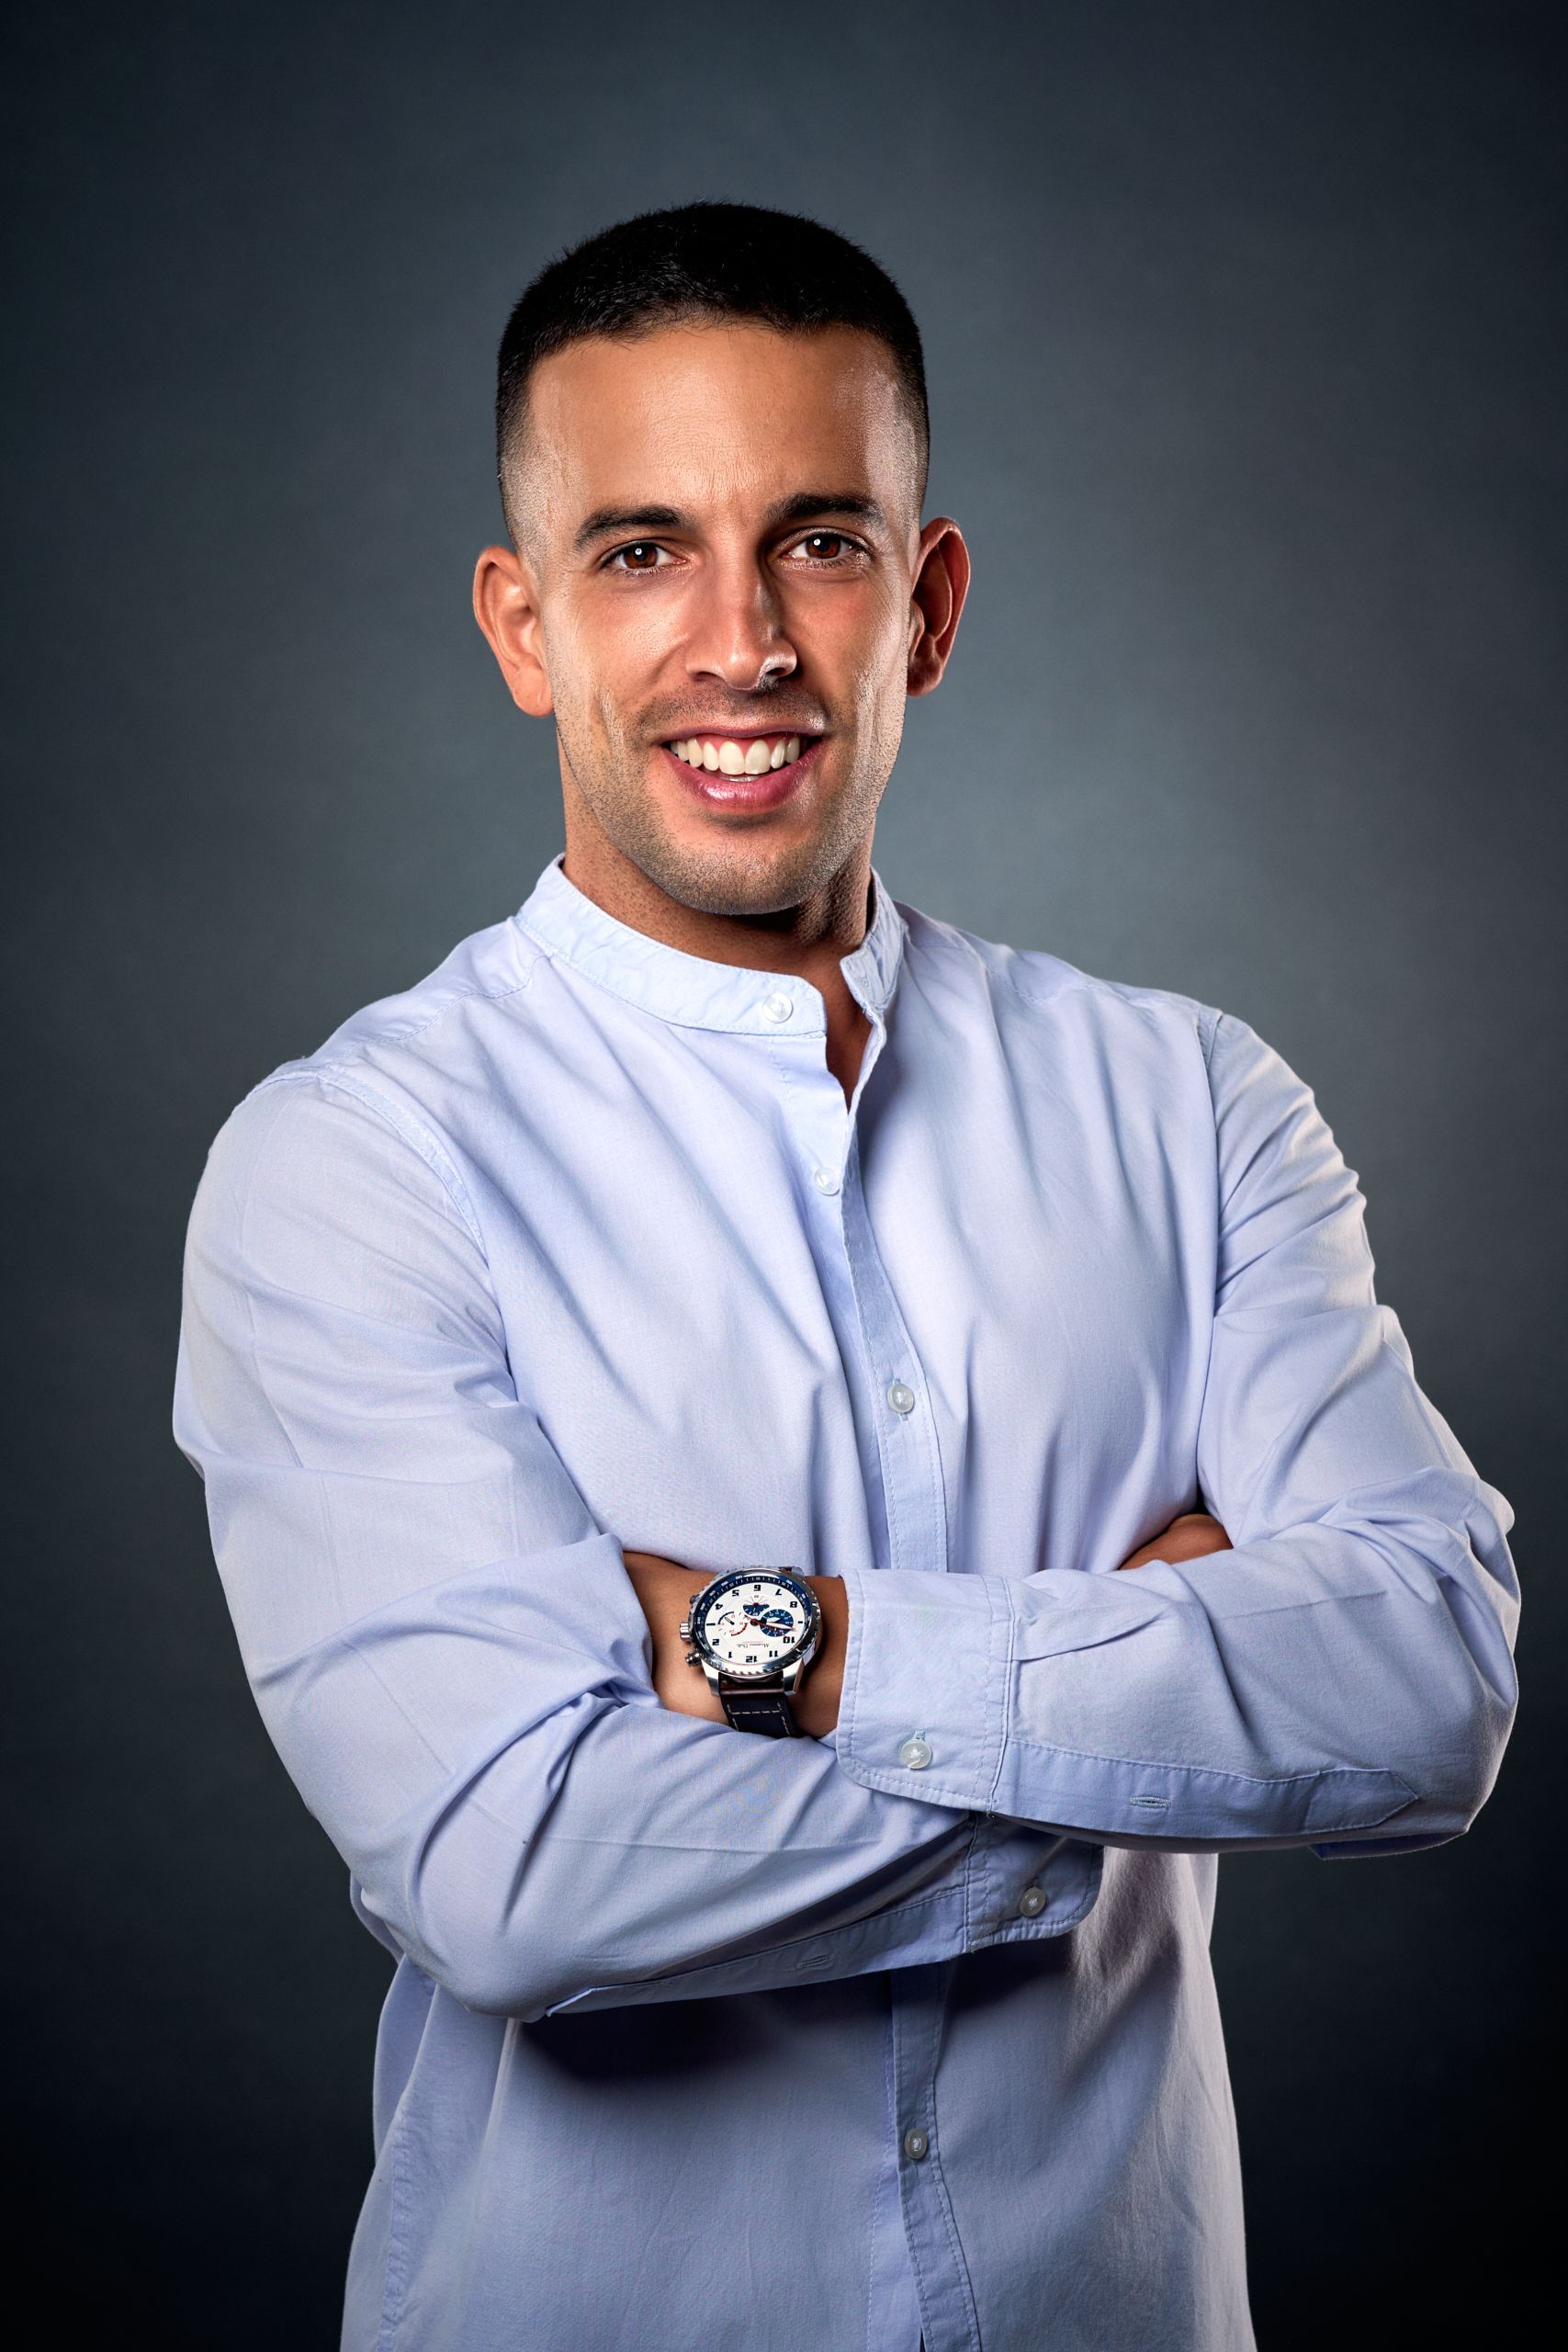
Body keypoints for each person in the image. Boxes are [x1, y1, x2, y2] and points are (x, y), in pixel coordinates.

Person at [172, 202, 1520, 2352]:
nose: (742, 643)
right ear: (521, 623)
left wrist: (761, 1645)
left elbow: (1426, 1678)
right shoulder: (351, 1164)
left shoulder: (1189, 1103)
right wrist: (1138, 1700)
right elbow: (514, 1869)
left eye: (817, 539)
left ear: (931, 600)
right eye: (638, 552)